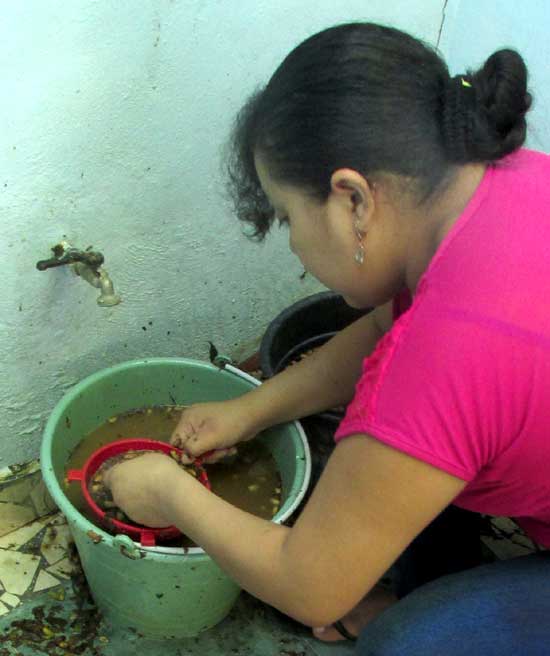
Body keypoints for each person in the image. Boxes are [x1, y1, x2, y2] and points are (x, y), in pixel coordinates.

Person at [104, 22, 550, 655]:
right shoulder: (505, 180)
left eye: (287, 218)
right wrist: (247, 410)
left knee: (402, 645)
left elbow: (308, 586)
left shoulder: (442, 356)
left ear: (353, 201)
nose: (294, 245)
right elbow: (379, 330)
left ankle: (420, 615)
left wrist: (166, 491)